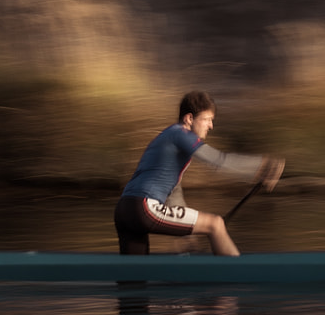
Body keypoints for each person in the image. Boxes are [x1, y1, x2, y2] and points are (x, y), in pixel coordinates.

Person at [114, 91, 284, 256]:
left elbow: (174, 191)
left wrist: (187, 235)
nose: (211, 126)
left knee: (134, 277)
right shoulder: (181, 134)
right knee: (215, 224)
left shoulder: (166, 138)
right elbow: (219, 161)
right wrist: (263, 166)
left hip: (124, 210)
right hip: (145, 208)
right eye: (207, 119)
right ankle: (240, 281)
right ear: (189, 118)